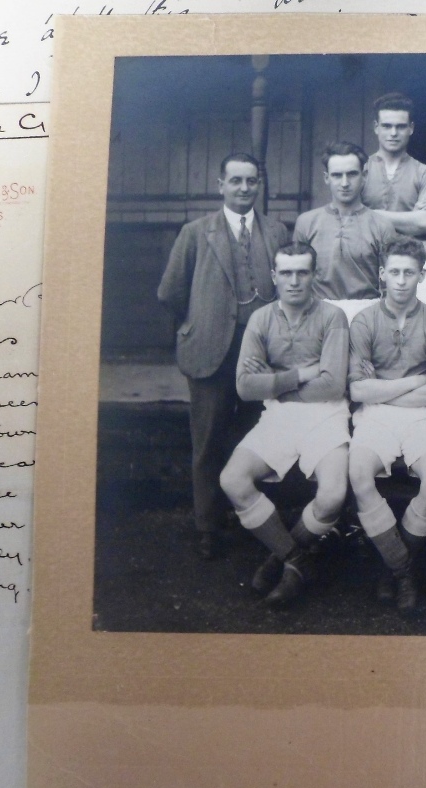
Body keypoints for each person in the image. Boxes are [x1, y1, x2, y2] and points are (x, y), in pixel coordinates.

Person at [157, 152, 289, 560]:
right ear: (221, 185)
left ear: (259, 185)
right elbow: (170, 292)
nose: (245, 188)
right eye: (236, 181)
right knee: (209, 440)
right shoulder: (196, 233)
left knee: (254, 440)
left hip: (259, 358)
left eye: (252, 181)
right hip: (211, 352)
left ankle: (251, 517)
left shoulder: (278, 232)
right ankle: (208, 526)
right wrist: (198, 324)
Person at [218, 242, 351, 606]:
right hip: (278, 416)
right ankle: (296, 559)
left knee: (333, 494)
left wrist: (277, 382)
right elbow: (245, 387)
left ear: (314, 275)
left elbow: (333, 384)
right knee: (232, 479)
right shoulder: (261, 319)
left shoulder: (332, 316)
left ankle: (278, 555)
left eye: (302, 272)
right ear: (275, 276)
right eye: (287, 273)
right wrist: (304, 373)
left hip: (327, 413)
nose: (294, 281)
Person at [348, 236, 426, 614]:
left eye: (410, 273)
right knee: (359, 473)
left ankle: (390, 563)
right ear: (382, 275)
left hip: (424, 415)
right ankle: (403, 570)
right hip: (376, 416)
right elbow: (358, 388)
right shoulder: (364, 321)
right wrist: (413, 381)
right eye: (395, 272)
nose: (402, 280)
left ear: (422, 275)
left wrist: (383, 390)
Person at [292, 141, 403, 324]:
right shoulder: (306, 223)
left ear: (364, 176)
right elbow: (297, 277)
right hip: (317, 318)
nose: (344, 183)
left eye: (351, 174)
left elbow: (391, 284)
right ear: (327, 178)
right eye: (337, 175)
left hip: (368, 319)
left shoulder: (382, 226)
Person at [361, 92, 426, 309]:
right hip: (367, 262)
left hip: (413, 263)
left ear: (411, 128)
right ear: (376, 127)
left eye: (400, 126)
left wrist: (369, 214)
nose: (393, 133)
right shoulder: (360, 171)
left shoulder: (425, 172)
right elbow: (349, 217)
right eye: (387, 126)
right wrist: (408, 219)